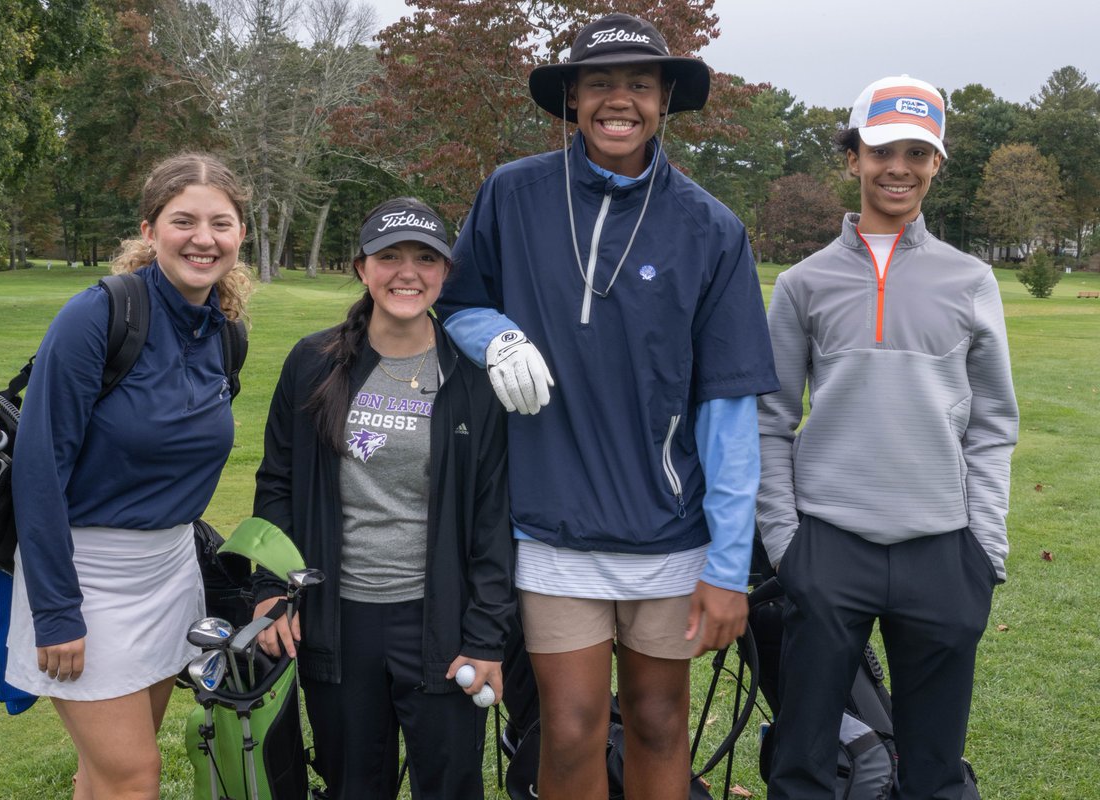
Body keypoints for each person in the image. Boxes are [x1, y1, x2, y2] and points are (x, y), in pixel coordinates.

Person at [435, 14, 779, 799]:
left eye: (639, 84)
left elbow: (728, 411)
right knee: (568, 729)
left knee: (658, 722)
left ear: (664, 100)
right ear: (573, 98)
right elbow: (458, 303)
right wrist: (496, 338)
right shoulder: (512, 194)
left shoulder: (712, 229)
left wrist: (729, 568)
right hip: (552, 524)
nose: (618, 100)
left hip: (670, 532)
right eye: (599, 83)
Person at [756, 75, 1019, 798]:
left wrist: (984, 548)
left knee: (934, 773)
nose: (898, 168)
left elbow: (992, 424)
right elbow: (771, 419)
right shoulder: (803, 283)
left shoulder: (970, 280)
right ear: (853, 158)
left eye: (917, 153)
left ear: (937, 164)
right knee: (803, 766)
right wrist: (785, 543)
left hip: (943, 552)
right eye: (881, 151)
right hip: (828, 546)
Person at [251, 197, 515, 799]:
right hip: (337, 620)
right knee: (352, 784)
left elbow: (492, 515)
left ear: (445, 272)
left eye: (426, 258)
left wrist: (485, 636)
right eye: (389, 256)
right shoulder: (313, 363)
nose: (407, 273)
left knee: (450, 786)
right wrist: (271, 589)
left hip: (441, 621)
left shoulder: (471, 376)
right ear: (362, 268)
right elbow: (278, 484)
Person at [6, 153, 252, 799]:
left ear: (240, 234)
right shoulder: (97, 316)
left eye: (220, 223)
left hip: (170, 575)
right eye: (183, 221)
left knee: (105, 775)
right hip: (84, 578)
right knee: (134, 776)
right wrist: (57, 610)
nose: (203, 238)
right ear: (149, 229)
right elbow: (39, 469)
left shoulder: (227, 333)